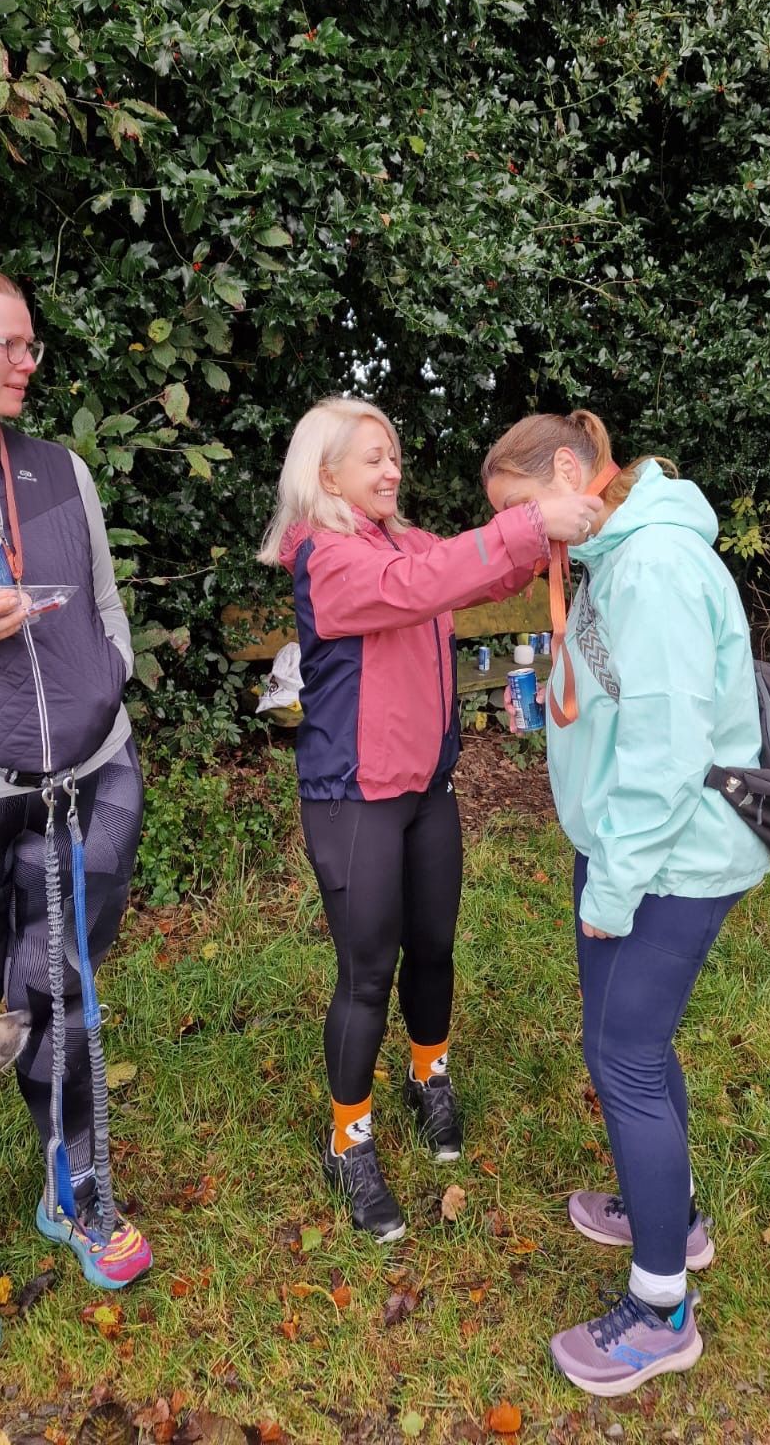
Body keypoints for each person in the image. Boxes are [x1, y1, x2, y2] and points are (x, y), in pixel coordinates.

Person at [259, 397, 602, 1242]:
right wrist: (528, 523)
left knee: (436, 949)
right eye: (371, 458)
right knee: (367, 972)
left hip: (428, 790)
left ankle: (428, 1076)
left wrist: (546, 531)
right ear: (324, 472)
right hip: (355, 797)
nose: (391, 468)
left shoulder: (401, 542)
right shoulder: (329, 560)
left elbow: (467, 571)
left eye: (394, 454)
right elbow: (413, 589)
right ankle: (348, 1138)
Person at [483, 409, 770, 1397]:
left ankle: (660, 1311)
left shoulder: (652, 567)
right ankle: (674, 1218)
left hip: (669, 857)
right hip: (633, 846)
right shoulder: (618, 555)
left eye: (527, 513)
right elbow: (620, 689)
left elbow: (667, 748)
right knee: (626, 1048)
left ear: (572, 469)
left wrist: (612, 884)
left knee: (627, 1056)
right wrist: (548, 701)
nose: (529, 538)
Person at [0, 262, 152, 1368]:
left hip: (90, 781)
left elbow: (105, 601)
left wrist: (114, 686)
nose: (27, 362)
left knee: (63, 996)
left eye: (32, 346)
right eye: (7, 344)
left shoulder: (58, 468)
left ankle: (78, 1188)